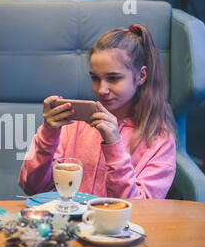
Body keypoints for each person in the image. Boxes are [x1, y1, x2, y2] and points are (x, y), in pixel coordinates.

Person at [19, 24, 176, 199]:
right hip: (69, 224)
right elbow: (31, 187)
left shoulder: (159, 139)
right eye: (95, 78)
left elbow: (139, 209)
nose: (101, 90)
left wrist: (114, 145)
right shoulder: (74, 123)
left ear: (141, 76)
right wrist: (48, 134)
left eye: (114, 78)